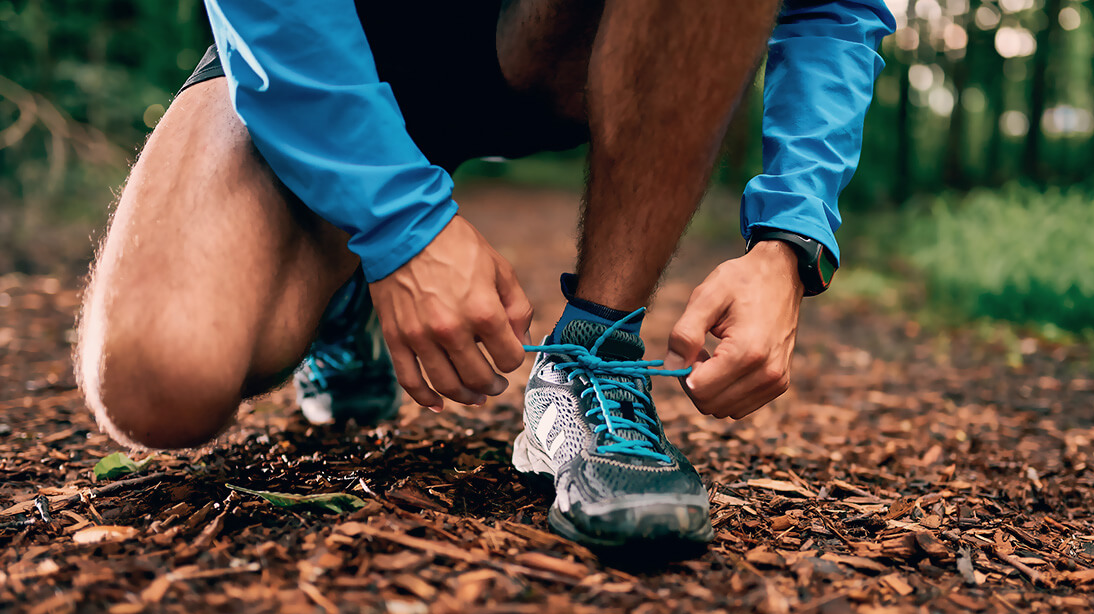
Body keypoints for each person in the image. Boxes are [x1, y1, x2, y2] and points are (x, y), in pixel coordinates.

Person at [76, 0, 894, 553]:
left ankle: (595, 350)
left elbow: (832, 5)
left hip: (557, 35)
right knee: (159, 377)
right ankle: (347, 273)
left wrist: (791, 235)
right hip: (327, 37)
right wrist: (400, 226)